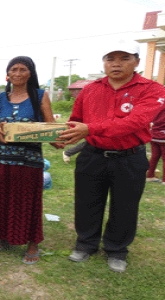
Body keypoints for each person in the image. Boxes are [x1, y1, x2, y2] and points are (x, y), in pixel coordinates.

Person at [59, 41, 165, 272]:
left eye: (124, 58)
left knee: (125, 206)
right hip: (92, 155)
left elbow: (134, 122)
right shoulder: (90, 89)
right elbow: (76, 120)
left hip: (129, 158)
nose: (116, 63)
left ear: (136, 61)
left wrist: (90, 129)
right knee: (87, 202)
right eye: (110, 58)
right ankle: (85, 244)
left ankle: (117, 250)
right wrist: (64, 137)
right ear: (104, 62)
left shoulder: (152, 89)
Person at [0, 56, 63, 264]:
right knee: (0, 197)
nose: (17, 73)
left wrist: (58, 140)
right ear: (7, 74)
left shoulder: (40, 96)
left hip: (29, 159)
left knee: (28, 200)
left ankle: (32, 243)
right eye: (13, 69)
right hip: (2, 157)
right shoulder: (1, 98)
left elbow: (50, 128)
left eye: (22, 69)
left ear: (31, 73)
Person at [145, 106, 165, 183]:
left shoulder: (157, 104)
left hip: (153, 134)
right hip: (163, 136)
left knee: (154, 156)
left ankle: (150, 175)